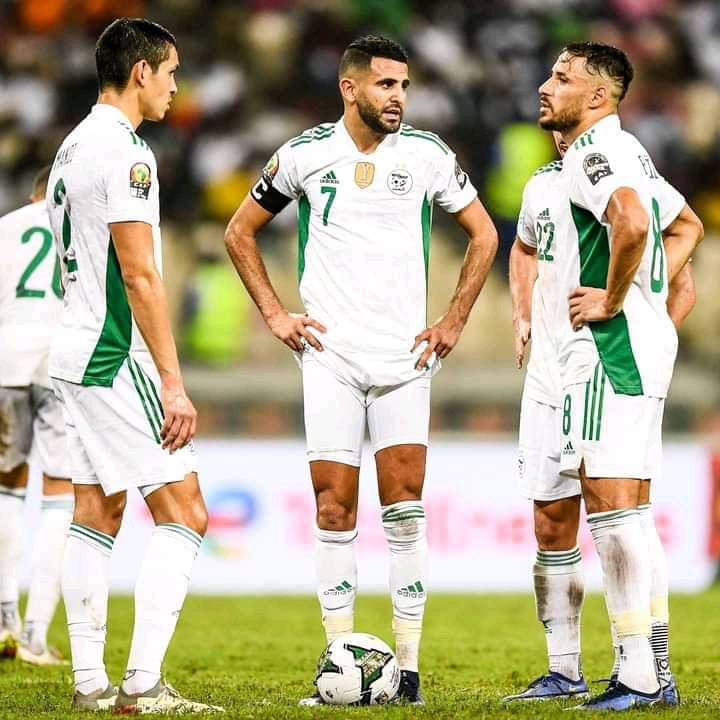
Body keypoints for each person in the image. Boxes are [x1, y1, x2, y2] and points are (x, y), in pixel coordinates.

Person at [224, 35, 498, 705]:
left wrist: (453, 320)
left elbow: (486, 234)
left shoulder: (427, 155)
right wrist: (274, 314)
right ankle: (340, 660)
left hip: (404, 358)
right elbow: (238, 231)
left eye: (404, 85)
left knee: (404, 511)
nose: (398, 96)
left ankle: (409, 673)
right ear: (350, 88)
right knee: (333, 508)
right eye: (385, 85)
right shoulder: (304, 154)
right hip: (332, 359)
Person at [47, 17, 221, 713]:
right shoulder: (126, 152)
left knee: (97, 509)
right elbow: (140, 273)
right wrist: (172, 382)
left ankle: (89, 682)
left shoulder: (70, 147)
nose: (177, 86)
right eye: (171, 72)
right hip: (114, 353)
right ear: (141, 72)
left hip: (72, 349)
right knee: (186, 513)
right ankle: (143, 685)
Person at [531, 41, 703, 710]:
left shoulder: (593, 154)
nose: (546, 86)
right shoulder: (631, 152)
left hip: (610, 350)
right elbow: (685, 225)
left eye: (562, 78)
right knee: (629, 508)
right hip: (638, 345)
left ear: (597, 97)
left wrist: (611, 298)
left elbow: (631, 221)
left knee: (609, 508)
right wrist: (651, 301)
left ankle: (637, 676)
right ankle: (653, 670)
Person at [0, 166, 73, 666]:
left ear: (33, 194)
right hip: (61, 363)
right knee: (61, 492)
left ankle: (4, 621)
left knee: (7, 485)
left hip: (6, 359)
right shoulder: (79, 224)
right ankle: (35, 635)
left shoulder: (6, 227)